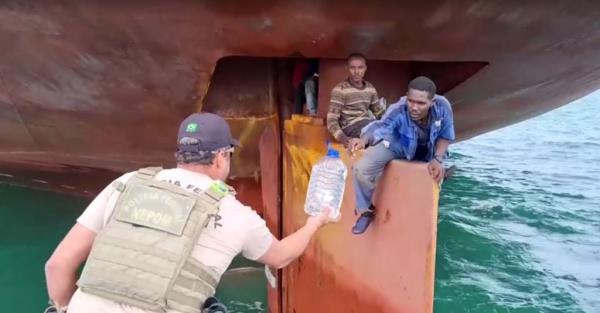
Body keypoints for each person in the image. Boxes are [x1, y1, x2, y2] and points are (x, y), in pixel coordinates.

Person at [44, 112, 337, 313]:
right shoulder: (236, 213)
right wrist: (314, 224)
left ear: (179, 155)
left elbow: (56, 266)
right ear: (222, 157)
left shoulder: (128, 182)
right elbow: (281, 255)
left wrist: (67, 308)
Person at [348, 76, 455, 235]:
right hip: (400, 144)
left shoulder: (443, 107)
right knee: (361, 168)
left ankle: (435, 198)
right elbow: (380, 127)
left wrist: (438, 159)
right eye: (411, 101)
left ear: (432, 103)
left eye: (421, 103)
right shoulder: (398, 108)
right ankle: (365, 211)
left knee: (435, 174)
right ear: (406, 96)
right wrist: (364, 140)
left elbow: (445, 135)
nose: (414, 107)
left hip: (429, 147)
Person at [326, 53, 385, 146]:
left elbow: (380, 113)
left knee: (389, 132)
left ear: (365, 68)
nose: (356, 71)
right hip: (350, 127)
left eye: (360, 67)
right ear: (347, 68)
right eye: (352, 68)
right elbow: (331, 120)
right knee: (377, 134)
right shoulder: (340, 90)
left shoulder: (370, 88)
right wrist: (343, 139)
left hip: (368, 124)